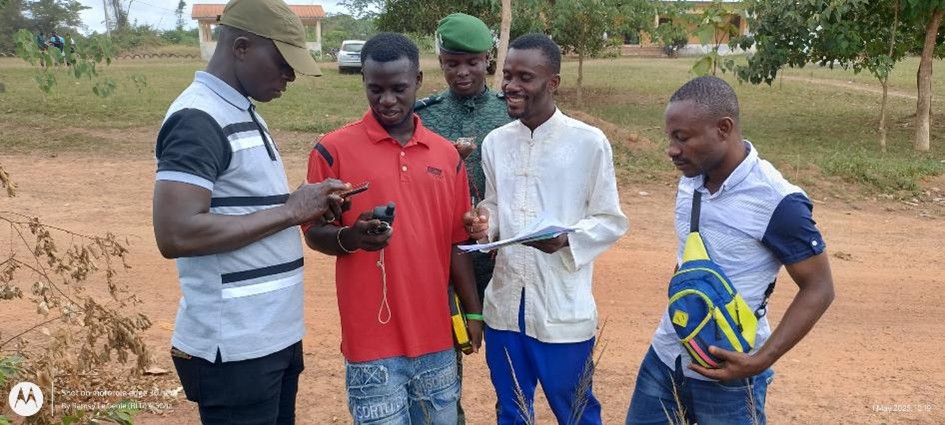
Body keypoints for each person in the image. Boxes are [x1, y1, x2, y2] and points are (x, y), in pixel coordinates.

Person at [151, 0, 345, 423]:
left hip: (269, 336)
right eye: (283, 63)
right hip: (235, 348)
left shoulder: (240, 109)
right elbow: (176, 234)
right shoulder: (197, 118)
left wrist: (304, 203)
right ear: (241, 47)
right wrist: (291, 212)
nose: (290, 75)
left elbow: (244, 207)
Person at [624, 76, 835, 424]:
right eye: (670, 137)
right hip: (665, 357)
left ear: (723, 129)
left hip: (729, 375)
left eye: (683, 138)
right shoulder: (691, 179)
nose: (671, 150)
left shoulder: (777, 201)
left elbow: (820, 288)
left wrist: (759, 361)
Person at [303, 32, 482, 424]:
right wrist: (352, 238)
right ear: (363, 82)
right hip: (371, 346)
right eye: (375, 89)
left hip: (436, 340)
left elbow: (457, 243)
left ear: (418, 80)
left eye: (399, 89)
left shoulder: (446, 155)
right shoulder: (332, 151)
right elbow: (313, 232)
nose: (387, 100)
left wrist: (473, 313)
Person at [464, 33, 629, 425]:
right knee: (512, 410)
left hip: (562, 312)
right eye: (506, 75)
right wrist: (484, 225)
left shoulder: (588, 143)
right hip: (504, 310)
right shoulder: (495, 143)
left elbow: (610, 219)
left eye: (525, 77)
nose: (510, 86)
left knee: (575, 411)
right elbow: (495, 204)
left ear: (552, 82)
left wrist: (567, 241)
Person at [413, 12, 512, 424]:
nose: (462, 71)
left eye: (472, 61)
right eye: (452, 62)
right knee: (440, 368)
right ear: (440, 60)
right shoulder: (424, 115)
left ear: (488, 59)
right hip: (443, 260)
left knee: (508, 369)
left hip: (502, 259)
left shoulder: (511, 112)